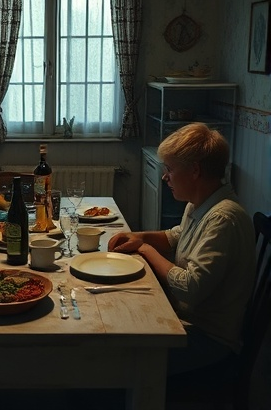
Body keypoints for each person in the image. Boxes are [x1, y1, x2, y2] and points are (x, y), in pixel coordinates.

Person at [108, 122, 256, 375]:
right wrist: (136, 235)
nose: (165, 177)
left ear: (195, 170)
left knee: (111, 357)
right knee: (117, 318)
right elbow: (176, 235)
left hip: (208, 338)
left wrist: (144, 248)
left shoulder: (223, 219)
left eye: (170, 169)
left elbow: (190, 288)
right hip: (184, 319)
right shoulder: (200, 203)